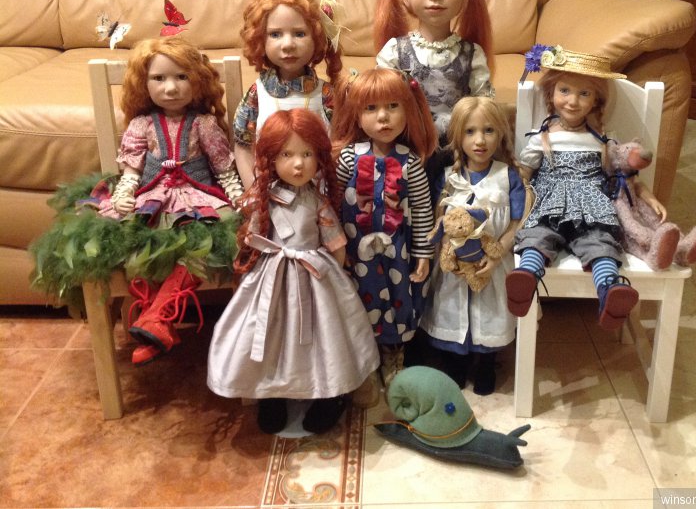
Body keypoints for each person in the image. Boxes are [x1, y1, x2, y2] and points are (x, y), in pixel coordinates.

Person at [207, 109, 379, 435]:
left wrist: (338, 273)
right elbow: (253, 237)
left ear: (320, 158)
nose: (298, 164)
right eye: (287, 155)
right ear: (270, 158)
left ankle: (330, 394)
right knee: (270, 335)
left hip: (314, 277)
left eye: (307, 154)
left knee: (324, 336)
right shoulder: (265, 199)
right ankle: (271, 393)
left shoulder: (318, 202)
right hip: (272, 277)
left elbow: (335, 243)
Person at [90, 36, 243, 365]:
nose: (170, 88)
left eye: (181, 77)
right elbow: (131, 170)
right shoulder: (142, 124)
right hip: (153, 198)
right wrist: (124, 194)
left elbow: (224, 169)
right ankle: (155, 320)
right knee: (134, 238)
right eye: (158, 78)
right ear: (143, 84)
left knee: (209, 241)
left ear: (197, 81)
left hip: (198, 197)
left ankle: (156, 318)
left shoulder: (203, 124)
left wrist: (237, 197)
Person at [505, 46, 665, 330]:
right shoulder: (541, 138)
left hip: (593, 208)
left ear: (595, 101)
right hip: (549, 204)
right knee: (537, 236)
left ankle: (610, 291)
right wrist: (506, 188)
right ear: (551, 94)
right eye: (564, 90)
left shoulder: (603, 141)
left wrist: (647, 196)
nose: (572, 101)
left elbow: (625, 175)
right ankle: (526, 278)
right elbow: (524, 173)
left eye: (584, 94)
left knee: (599, 242)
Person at [331, 67, 437, 387]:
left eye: (393, 106)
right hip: (354, 252)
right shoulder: (349, 158)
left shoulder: (410, 162)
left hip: (398, 254)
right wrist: (333, 246)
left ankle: (393, 352)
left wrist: (423, 254)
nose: (383, 117)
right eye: (371, 108)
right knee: (358, 299)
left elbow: (423, 209)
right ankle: (363, 358)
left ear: (408, 110)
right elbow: (332, 204)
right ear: (356, 114)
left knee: (398, 299)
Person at [419, 97, 527, 395]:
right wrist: (446, 251)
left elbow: (517, 222)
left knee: (489, 312)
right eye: (470, 131)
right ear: (457, 135)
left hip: (492, 264)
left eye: (489, 131)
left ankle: (486, 364)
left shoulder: (507, 176)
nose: (480, 140)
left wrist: (497, 255)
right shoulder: (447, 177)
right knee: (450, 309)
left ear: (501, 134)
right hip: (454, 266)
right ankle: (456, 363)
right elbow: (439, 221)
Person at [356, 0, 495, 146]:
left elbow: (483, 107)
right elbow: (381, 104)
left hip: (457, 151)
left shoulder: (472, 54)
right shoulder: (395, 51)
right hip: (406, 150)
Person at [234, 0, 345, 187]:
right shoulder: (257, 94)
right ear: (260, 40)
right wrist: (252, 188)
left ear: (317, 38)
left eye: (299, 34)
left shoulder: (326, 95)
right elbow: (242, 146)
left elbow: (340, 144)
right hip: (268, 192)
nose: (287, 44)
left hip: (318, 193)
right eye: (275, 34)